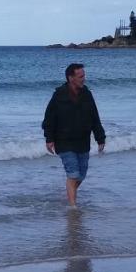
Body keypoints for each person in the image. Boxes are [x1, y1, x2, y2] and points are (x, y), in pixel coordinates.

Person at [42, 63, 106, 207]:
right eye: (80, 76)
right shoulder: (59, 94)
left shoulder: (87, 94)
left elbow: (95, 117)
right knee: (73, 174)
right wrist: (49, 138)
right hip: (64, 141)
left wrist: (100, 137)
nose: (84, 79)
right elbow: (49, 118)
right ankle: (73, 207)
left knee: (81, 175)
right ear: (71, 78)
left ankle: (69, 194)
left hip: (83, 141)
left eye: (84, 75)